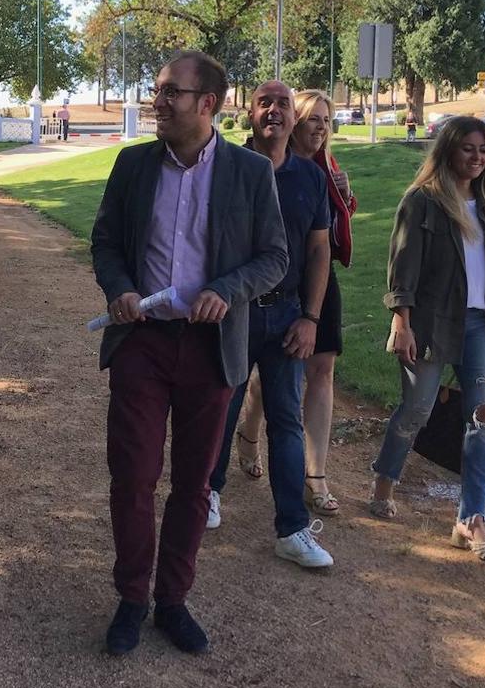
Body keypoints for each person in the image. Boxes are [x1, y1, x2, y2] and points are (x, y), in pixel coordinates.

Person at [90, 51, 288, 656]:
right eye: (157, 89)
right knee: (133, 477)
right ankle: (132, 597)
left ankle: (172, 600)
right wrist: (120, 287)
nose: (159, 101)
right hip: (143, 343)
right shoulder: (132, 165)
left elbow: (273, 257)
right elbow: (104, 240)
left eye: (171, 91)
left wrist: (226, 291)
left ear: (209, 103)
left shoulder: (250, 173)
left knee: (194, 485)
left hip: (211, 349)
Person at [368, 115, 485, 566]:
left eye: (483, 149)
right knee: (416, 411)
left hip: (480, 324)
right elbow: (403, 267)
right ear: (448, 149)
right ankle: (384, 482)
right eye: (468, 148)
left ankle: (471, 520)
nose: (477, 157)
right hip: (430, 323)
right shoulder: (422, 202)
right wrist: (401, 321)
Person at [205, 80, 334, 571]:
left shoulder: (310, 178)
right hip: (233, 312)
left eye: (283, 104)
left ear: (292, 117)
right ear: (251, 113)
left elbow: (320, 250)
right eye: (265, 103)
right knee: (222, 406)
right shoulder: (225, 168)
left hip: (287, 315)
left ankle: (292, 528)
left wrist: (310, 317)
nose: (275, 111)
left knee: (284, 418)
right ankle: (208, 493)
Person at [229, 89, 357, 517]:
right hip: (254, 294)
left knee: (317, 371)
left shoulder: (323, 172)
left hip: (309, 286)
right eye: (314, 119)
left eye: (327, 120)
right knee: (260, 380)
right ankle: (245, 438)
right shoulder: (244, 165)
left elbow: (327, 238)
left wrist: (310, 313)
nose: (321, 127)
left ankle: (313, 476)